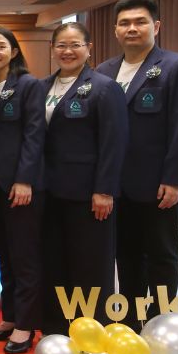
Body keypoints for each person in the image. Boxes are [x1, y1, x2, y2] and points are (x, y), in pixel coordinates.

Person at [95, 0, 178, 330]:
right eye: (125, 23)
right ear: (115, 30)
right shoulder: (104, 71)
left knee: (161, 260)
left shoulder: (176, 66)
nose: (132, 28)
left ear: (156, 26)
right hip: (117, 188)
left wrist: (175, 179)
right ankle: (129, 328)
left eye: (140, 22)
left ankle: (160, 330)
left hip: (159, 185)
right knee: (126, 260)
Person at [41, 23, 127, 335]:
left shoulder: (104, 88)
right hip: (48, 193)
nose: (67, 51)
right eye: (61, 45)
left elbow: (113, 143)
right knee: (54, 261)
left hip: (88, 194)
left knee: (90, 266)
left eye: (75, 44)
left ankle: (93, 330)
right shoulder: (42, 88)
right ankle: (55, 327)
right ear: (53, 49)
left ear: (89, 49)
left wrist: (104, 190)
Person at [0, 26, 46, 354]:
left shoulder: (28, 85)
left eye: (0, 46)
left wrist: (25, 178)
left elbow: (34, 134)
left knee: (25, 257)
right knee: (5, 254)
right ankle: (10, 317)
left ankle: (27, 325)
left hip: (19, 186)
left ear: (14, 51)